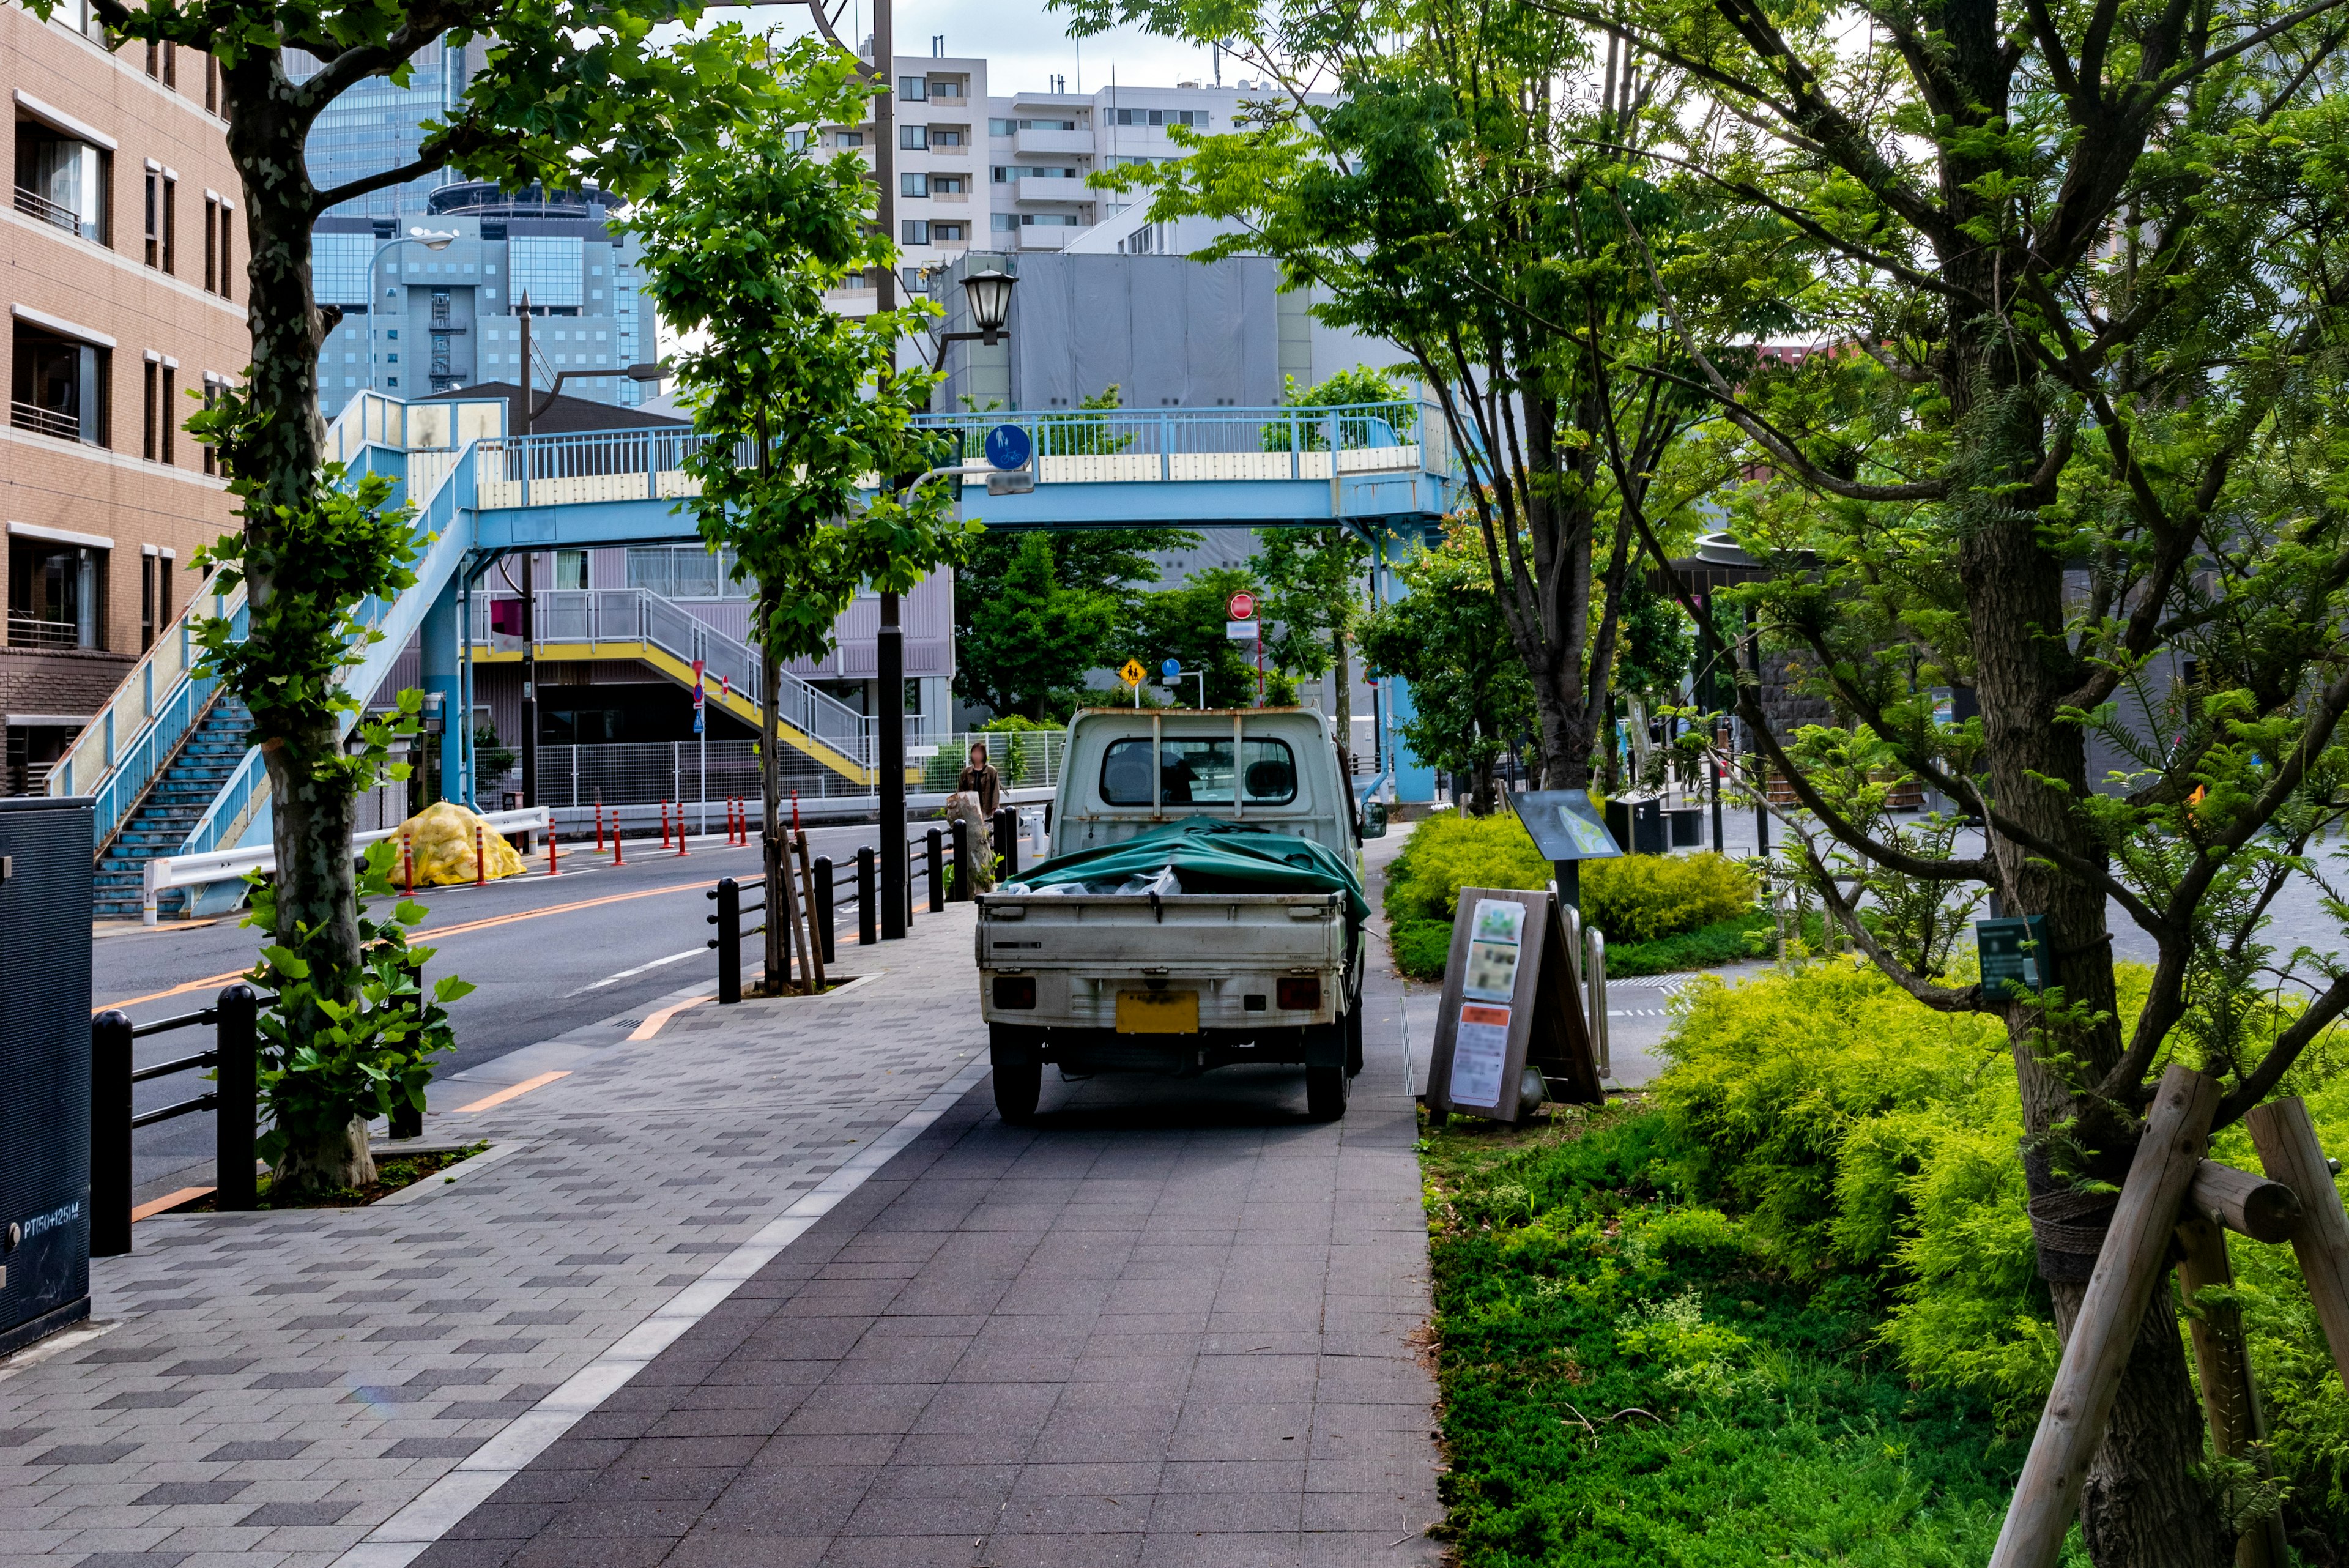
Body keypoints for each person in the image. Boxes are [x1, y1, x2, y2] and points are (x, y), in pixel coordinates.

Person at [958, 740, 1002, 817]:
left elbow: (996, 791)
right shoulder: (966, 772)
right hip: (971, 811)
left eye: (979, 753)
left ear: (984, 755)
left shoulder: (991, 771)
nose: (976, 755)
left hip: (987, 811)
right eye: (974, 752)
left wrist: (995, 807)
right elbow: (960, 791)